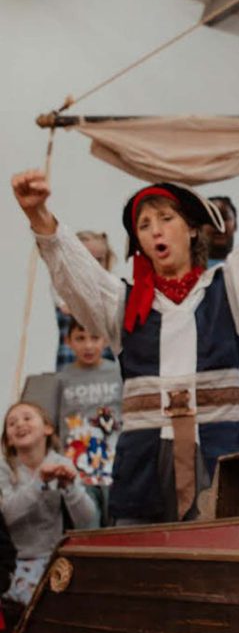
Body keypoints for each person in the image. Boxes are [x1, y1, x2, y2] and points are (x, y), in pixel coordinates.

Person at [11, 125, 239, 524]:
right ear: (140, 243)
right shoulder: (122, 304)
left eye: (165, 218)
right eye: (144, 225)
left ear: (191, 228)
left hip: (218, 456)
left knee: (221, 544)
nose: (155, 229)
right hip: (144, 467)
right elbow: (75, 273)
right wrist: (38, 214)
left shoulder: (230, 290)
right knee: (145, 551)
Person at [0, 402, 98, 606]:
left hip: (55, 559)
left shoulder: (62, 463)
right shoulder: (4, 469)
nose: (20, 424)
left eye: (27, 418)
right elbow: (6, 516)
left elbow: (88, 520)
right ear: (8, 439)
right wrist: (39, 482)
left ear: (47, 428)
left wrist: (70, 488)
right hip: (15, 564)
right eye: (12, 423)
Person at [53, 317, 122, 523]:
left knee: (116, 522)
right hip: (77, 466)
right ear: (68, 341)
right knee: (87, 523)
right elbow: (54, 421)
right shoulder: (62, 378)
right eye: (80, 338)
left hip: (114, 462)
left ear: (106, 340)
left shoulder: (118, 372)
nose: (88, 346)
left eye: (95, 338)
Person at [54, 231, 117, 369]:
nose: (93, 265)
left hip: (104, 362)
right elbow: (69, 307)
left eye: (99, 260)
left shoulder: (110, 289)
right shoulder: (64, 287)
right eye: (86, 259)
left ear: (107, 261)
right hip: (70, 361)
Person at [205, 196, 237, 265]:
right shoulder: (185, 268)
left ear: (235, 225)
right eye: (212, 219)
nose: (219, 224)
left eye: (225, 217)